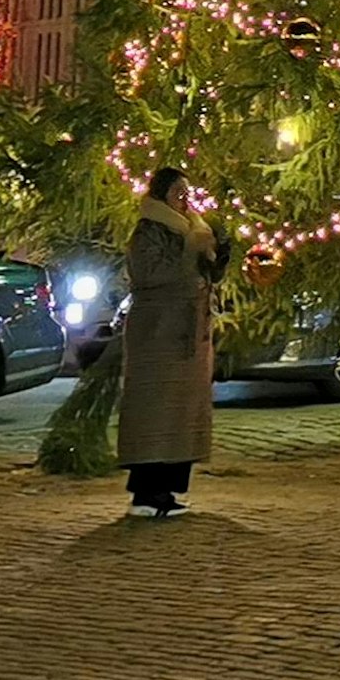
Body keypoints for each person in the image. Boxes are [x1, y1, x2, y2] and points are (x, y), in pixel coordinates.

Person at [117, 166, 219, 519]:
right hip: (158, 334)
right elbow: (150, 274)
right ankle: (146, 493)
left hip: (188, 334)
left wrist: (220, 251)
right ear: (162, 194)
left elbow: (206, 272)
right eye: (178, 191)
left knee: (181, 416)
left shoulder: (194, 227)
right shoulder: (150, 230)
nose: (184, 198)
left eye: (187, 192)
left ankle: (170, 489)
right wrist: (191, 253)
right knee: (154, 414)